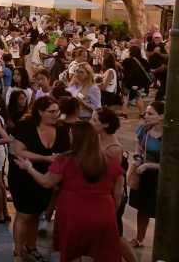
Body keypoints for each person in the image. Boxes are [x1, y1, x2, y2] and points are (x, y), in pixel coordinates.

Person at [14, 121, 123, 262]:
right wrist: (111, 212)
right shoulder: (110, 160)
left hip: (73, 213)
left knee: (72, 253)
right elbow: (118, 194)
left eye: (71, 134)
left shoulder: (65, 160)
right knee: (104, 253)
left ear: (76, 139)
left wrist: (29, 167)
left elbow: (46, 182)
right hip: (104, 213)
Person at [8, 96, 70, 262]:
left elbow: (66, 152)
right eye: (51, 111)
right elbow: (19, 151)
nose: (55, 114)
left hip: (46, 176)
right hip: (23, 175)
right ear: (40, 112)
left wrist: (59, 159)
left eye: (57, 111)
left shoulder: (62, 129)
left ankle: (31, 246)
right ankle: (18, 252)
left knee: (36, 213)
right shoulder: (26, 126)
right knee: (23, 214)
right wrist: (46, 158)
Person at [91, 108, 137, 262]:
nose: (91, 123)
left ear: (105, 125)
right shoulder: (97, 138)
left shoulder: (113, 148)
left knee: (116, 235)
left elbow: (115, 179)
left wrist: (114, 204)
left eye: (94, 120)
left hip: (111, 196)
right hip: (100, 194)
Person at [128, 101, 164, 248]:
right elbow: (138, 146)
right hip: (145, 175)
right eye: (146, 113)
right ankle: (139, 238)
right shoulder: (144, 129)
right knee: (143, 209)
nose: (146, 115)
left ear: (162, 116)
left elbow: (170, 165)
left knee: (162, 210)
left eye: (150, 113)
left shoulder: (171, 136)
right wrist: (137, 158)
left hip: (161, 177)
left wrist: (148, 165)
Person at [122, 45, 152, 117]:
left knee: (125, 98)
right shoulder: (144, 61)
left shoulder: (127, 61)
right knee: (138, 97)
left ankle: (124, 114)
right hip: (139, 83)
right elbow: (148, 70)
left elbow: (124, 71)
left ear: (130, 52)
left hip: (128, 82)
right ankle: (142, 113)